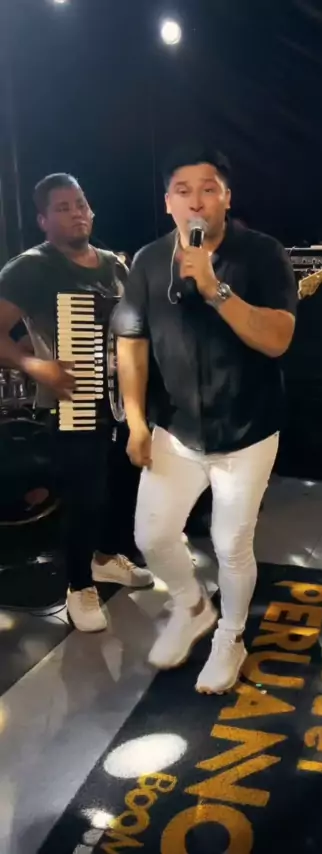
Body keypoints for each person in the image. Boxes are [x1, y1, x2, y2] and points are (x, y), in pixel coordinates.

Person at [114, 146, 297, 694]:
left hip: (246, 430)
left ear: (227, 198)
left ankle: (231, 636)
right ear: (168, 202)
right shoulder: (149, 261)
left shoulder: (262, 254)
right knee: (151, 535)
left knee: (230, 543)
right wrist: (137, 422)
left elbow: (278, 339)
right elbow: (131, 344)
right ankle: (191, 604)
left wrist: (215, 288)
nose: (196, 201)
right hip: (175, 430)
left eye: (208, 189)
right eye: (184, 191)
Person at [0, 173, 152, 631]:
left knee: (123, 486)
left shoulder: (114, 266)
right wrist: (35, 365)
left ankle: (106, 558)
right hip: (69, 400)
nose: (76, 214)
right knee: (84, 497)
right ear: (43, 220)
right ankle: (78, 586)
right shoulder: (30, 269)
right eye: (62, 207)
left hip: (121, 400)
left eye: (81, 204)